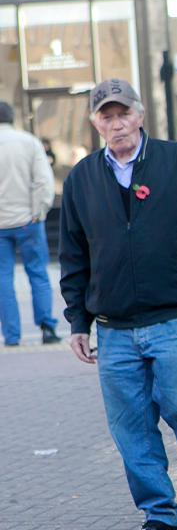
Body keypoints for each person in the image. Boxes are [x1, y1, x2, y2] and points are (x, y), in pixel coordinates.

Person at [59, 79, 177, 530]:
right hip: (113, 327)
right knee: (131, 427)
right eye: (106, 117)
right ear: (96, 123)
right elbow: (74, 254)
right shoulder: (82, 178)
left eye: (123, 114)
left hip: (176, 313)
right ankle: (161, 517)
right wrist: (77, 322)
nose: (116, 124)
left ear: (140, 115)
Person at [0, 100, 59, 347]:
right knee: (37, 273)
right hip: (28, 220)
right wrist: (39, 211)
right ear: (13, 117)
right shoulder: (29, 142)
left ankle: (11, 335)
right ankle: (46, 327)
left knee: (3, 278)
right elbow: (43, 181)